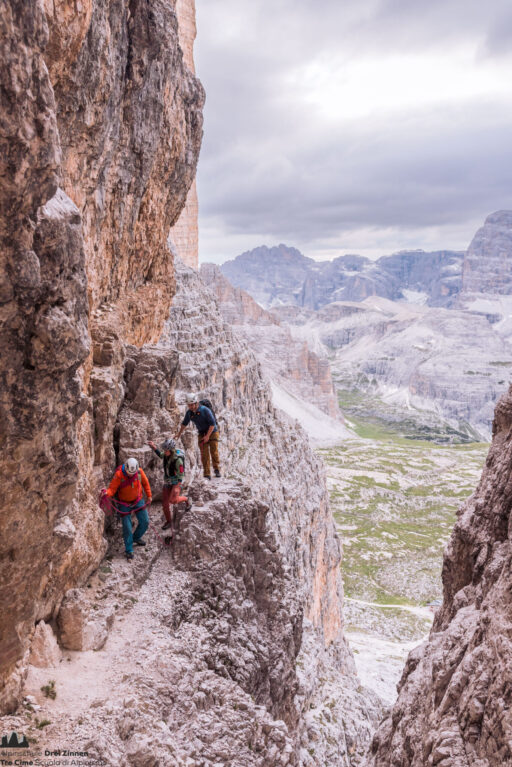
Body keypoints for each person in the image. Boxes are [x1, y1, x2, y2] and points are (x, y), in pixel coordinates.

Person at [105, 457, 151, 560]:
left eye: (132, 473)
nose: (131, 475)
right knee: (127, 527)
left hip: (137, 500)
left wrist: (149, 495)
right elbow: (112, 489)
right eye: (129, 473)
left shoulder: (139, 472)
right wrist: (106, 493)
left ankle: (136, 538)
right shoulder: (119, 475)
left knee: (145, 522)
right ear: (126, 468)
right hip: (124, 503)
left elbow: (145, 483)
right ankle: (129, 550)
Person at [147, 437, 190, 537]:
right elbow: (161, 455)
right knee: (165, 504)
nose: (164, 452)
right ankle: (169, 521)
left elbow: (181, 475)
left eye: (166, 450)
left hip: (176, 482)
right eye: (164, 450)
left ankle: (187, 499)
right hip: (167, 481)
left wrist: (176, 487)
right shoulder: (166, 455)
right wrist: (154, 447)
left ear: (170, 450)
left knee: (173, 501)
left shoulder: (178, 460)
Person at [174, 395, 221, 480]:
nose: (190, 407)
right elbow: (184, 424)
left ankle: (216, 469)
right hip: (202, 433)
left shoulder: (205, 410)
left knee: (214, 451)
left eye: (192, 404)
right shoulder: (189, 413)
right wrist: (179, 434)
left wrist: (207, 436)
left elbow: (212, 424)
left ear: (196, 403)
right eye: (189, 405)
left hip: (212, 432)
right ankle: (207, 474)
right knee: (204, 453)